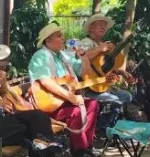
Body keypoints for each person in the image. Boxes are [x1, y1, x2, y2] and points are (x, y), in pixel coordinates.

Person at [28, 24, 101, 157]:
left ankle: (85, 146)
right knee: (76, 111)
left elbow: (84, 73)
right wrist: (71, 97)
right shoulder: (40, 56)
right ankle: (80, 151)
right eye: (59, 36)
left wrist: (83, 56)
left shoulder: (63, 56)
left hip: (63, 101)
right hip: (48, 106)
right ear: (48, 41)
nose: (63, 38)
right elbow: (45, 81)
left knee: (92, 104)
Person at [74, 14, 136, 104]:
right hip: (88, 89)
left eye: (105, 25)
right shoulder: (85, 42)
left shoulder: (103, 44)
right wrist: (100, 49)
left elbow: (102, 69)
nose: (103, 27)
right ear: (90, 28)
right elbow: (80, 56)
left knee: (127, 96)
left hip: (102, 86)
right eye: (100, 24)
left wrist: (121, 72)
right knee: (115, 100)